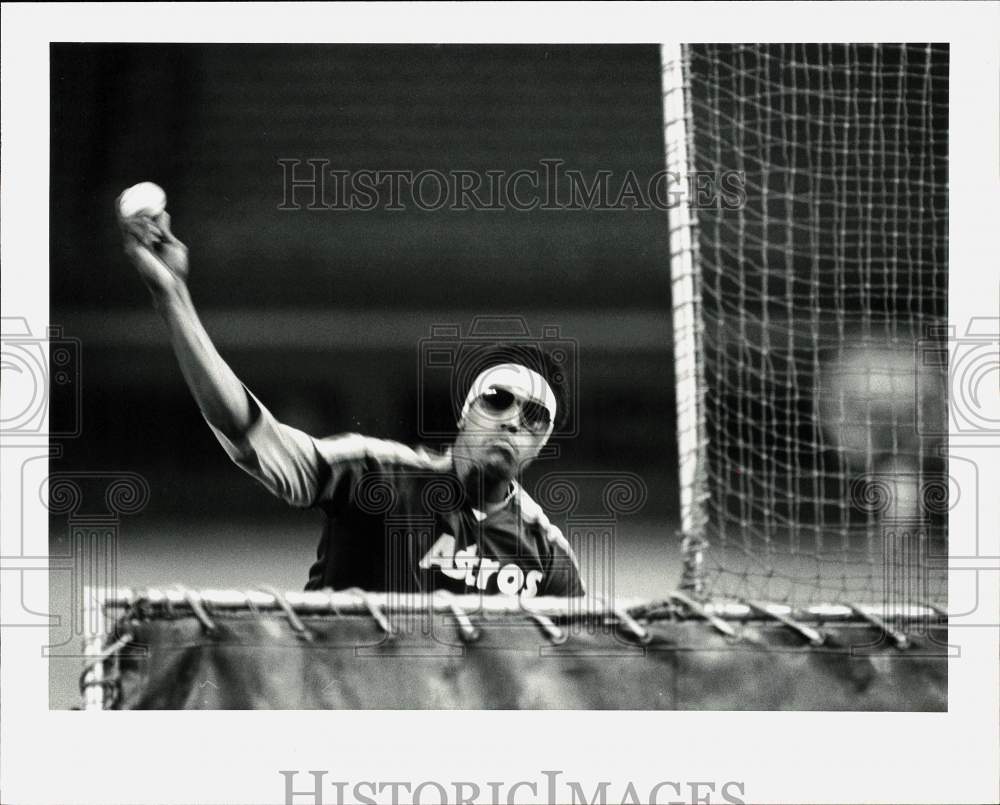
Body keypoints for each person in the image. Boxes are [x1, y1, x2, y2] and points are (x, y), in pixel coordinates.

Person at [119, 206, 584, 598]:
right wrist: (172, 296)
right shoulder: (376, 476)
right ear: (467, 409)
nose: (512, 421)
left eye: (535, 417)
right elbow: (249, 432)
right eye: (499, 399)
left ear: (542, 440)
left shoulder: (546, 555)